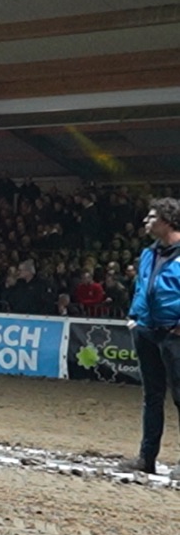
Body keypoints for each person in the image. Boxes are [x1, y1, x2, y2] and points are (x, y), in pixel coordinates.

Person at [121, 198, 180, 474]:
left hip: (174, 333)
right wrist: (134, 317)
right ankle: (146, 459)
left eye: (152, 217)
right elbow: (141, 286)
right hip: (146, 330)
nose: (146, 221)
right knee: (152, 397)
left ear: (167, 221)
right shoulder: (148, 253)